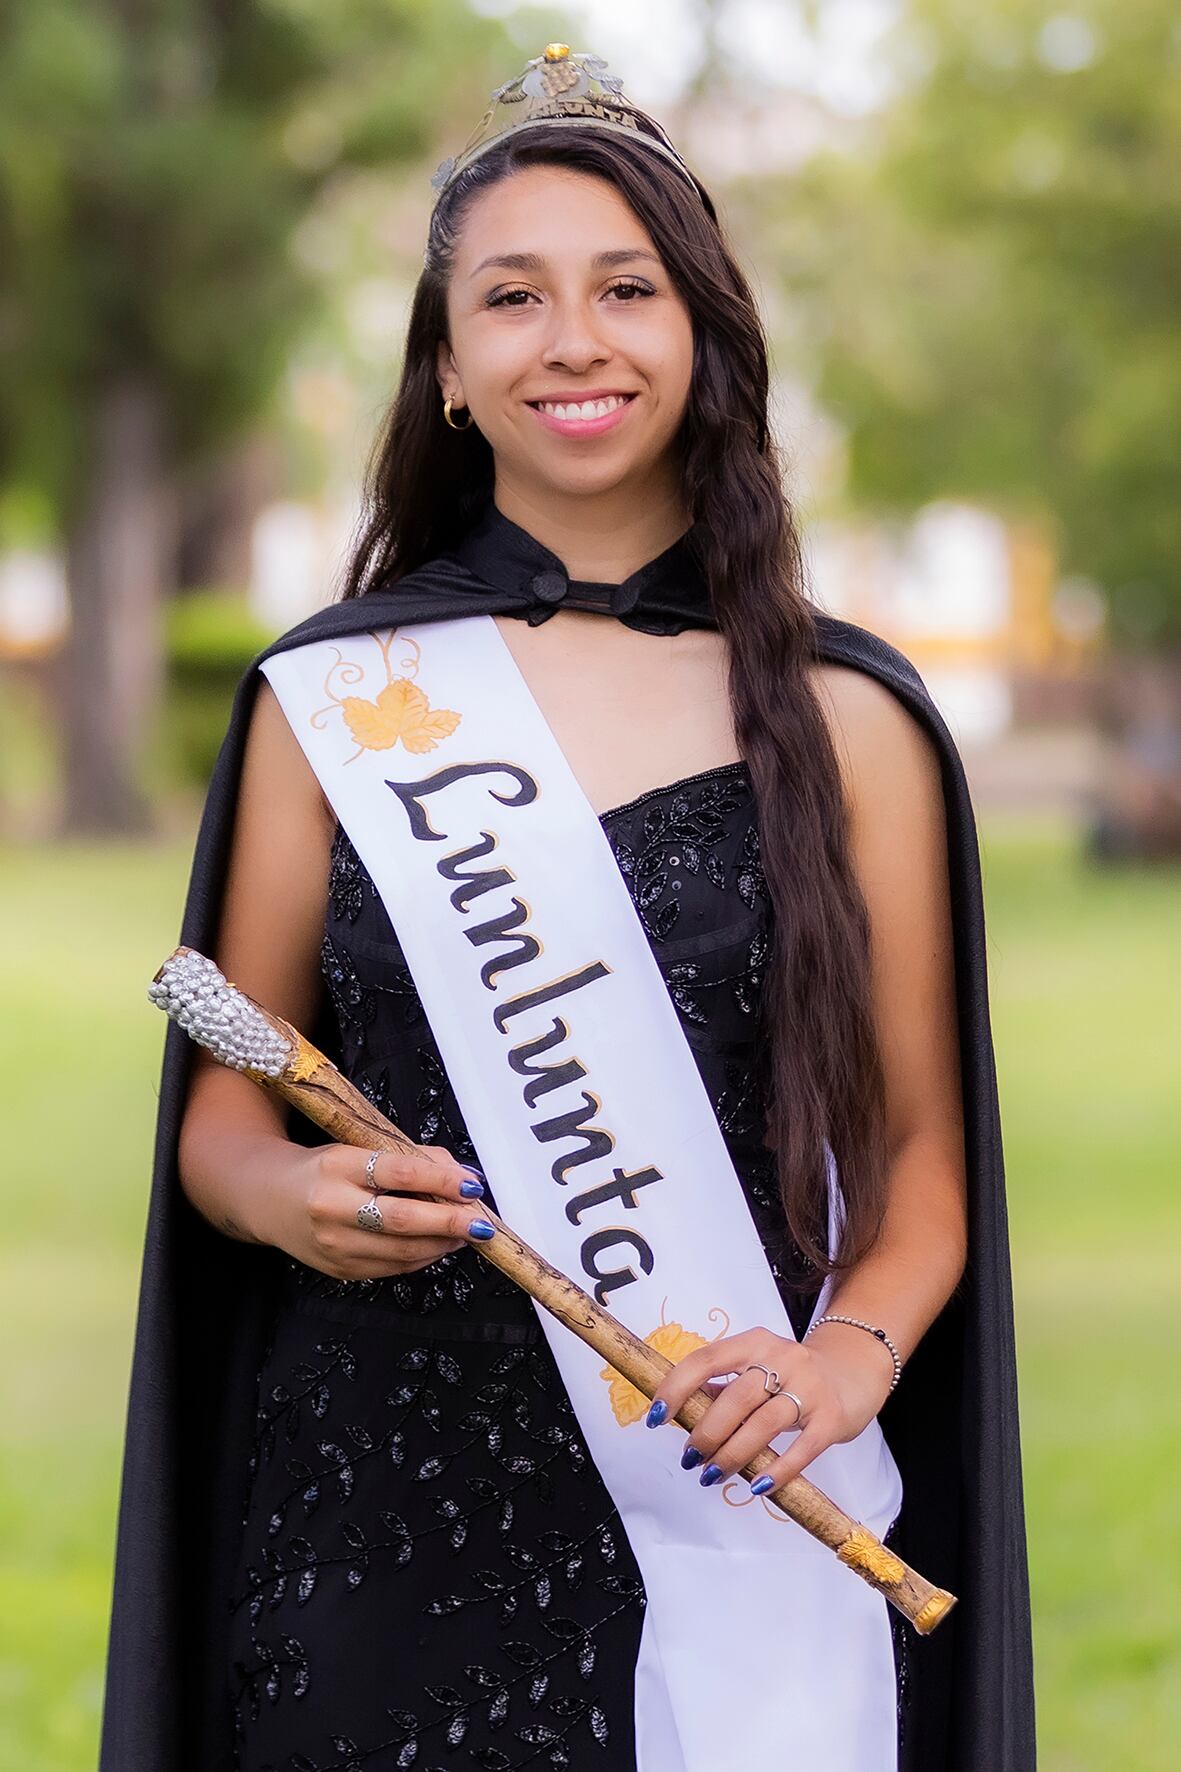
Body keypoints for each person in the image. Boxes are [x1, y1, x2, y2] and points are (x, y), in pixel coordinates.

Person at [99, 44, 1035, 1772]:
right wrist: (291, 1191)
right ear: (449, 368)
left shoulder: (849, 719)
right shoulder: (339, 697)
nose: (574, 340)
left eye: (627, 289)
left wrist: (837, 1372)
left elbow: (921, 1176)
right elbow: (224, 1118)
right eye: (511, 298)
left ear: (703, 337)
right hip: (369, 1499)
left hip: (727, 1478)